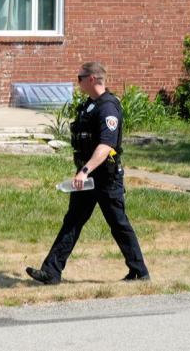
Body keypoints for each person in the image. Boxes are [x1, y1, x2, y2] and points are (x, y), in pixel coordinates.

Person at [25, 61, 149, 284]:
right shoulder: (89, 106)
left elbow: (106, 146)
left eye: (80, 77)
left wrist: (84, 170)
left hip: (105, 177)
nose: (77, 81)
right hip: (88, 178)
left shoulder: (108, 107)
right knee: (72, 221)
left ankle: (140, 272)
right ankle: (51, 272)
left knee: (118, 223)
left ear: (91, 79)